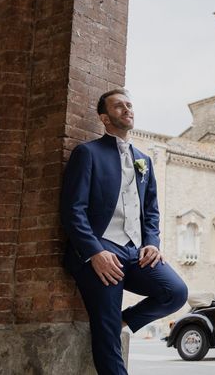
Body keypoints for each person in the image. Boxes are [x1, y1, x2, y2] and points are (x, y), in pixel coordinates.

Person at [61, 89, 188, 375]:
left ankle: (119, 320)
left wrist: (152, 243)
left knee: (175, 292)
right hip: (101, 249)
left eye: (129, 105)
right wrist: (95, 252)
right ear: (104, 118)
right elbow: (73, 210)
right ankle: (109, 325)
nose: (127, 110)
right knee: (106, 335)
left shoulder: (144, 160)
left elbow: (152, 211)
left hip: (134, 251)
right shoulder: (88, 153)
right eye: (119, 106)